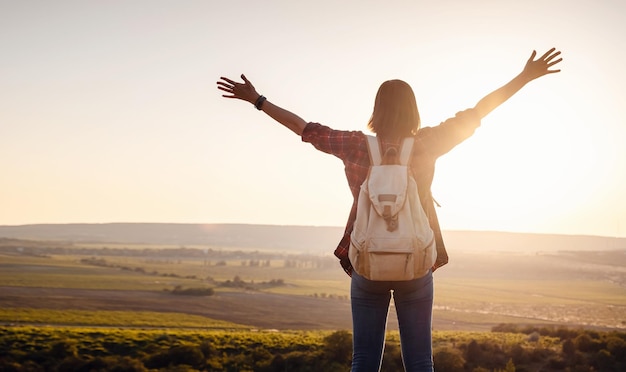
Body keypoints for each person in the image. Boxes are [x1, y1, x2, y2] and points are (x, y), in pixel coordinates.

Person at [217, 48, 562, 372]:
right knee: (420, 361)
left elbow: (304, 129)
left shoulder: (354, 145)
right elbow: (478, 111)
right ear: (413, 110)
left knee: (364, 359)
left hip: (367, 263)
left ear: (376, 109)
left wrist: (258, 100)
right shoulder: (429, 142)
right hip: (416, 263)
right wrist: (524, 77)